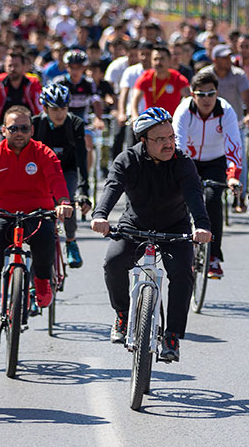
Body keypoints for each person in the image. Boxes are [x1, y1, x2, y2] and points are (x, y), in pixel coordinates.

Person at [90, 107, 212, 362]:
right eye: (160, 139)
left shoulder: (183, 162)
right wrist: (100, 215)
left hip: (174, 228)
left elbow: (194, 195)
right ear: (143, 140)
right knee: (113, 263)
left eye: (171, 137)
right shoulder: (127, 160)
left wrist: (201, 226)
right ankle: (123, 314)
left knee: (182, 273)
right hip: (134, 225)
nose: (169, 144)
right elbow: (113, 187)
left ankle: (172, 335)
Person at [0, 106, 74, 346]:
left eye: (24, 128)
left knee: (46, 236)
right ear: (4, 130)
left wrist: (63, 203)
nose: (19, 133)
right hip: (1, 214)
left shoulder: (43, 153)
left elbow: (56, 179)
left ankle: (42, 281)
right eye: (13, 128)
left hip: (37, 212)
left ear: (32, 130)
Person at [172, 71, 243, 278]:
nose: (206, 99)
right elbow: (179, 145)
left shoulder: (226, 110)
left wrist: (233, 175)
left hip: (215, 160)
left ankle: (213, 256)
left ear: (217, 93)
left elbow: (234, 145)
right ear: (192, 94)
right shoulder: (184, 110)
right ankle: (181, 249)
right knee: (183, 200)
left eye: (211, 94)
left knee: (213, 199)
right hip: (189, 161)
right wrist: (181, 175)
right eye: (201, 94)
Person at [31, 84, 91, 268]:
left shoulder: (75, 124)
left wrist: (83, 190)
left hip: (67, 169)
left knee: (68, 201)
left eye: (63, 109)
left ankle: (71, 241)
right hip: (41, 171)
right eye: (55, 109)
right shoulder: (35, 124)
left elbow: (82, 159)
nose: (60, 114)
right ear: (45, 108)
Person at [197, 45, 249, 130]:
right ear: (215, 60)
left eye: (229, 57)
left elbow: (247, 96)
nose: (229, 60)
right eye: (224, 58)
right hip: (209, 125)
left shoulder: (238, 74)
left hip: (235, 125)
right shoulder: (204, 75)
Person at [0, 50, 42, 134]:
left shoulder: (33, 82)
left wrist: (41, 121)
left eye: (16, 66)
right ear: (5, 67)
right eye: (10, 66)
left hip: (28, 130)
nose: (13, 69)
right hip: (4, 129)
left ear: (23, 66)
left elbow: (38, 105)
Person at [131, 44, 190, 117]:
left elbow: (189, 98)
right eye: (155, 59)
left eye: (162, 59)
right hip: (151, 121)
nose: (158, 62)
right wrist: (135, 117)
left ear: (169, 60)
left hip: (172, 121)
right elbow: (134, 101)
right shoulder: (145, 78)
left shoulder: (177, 78)